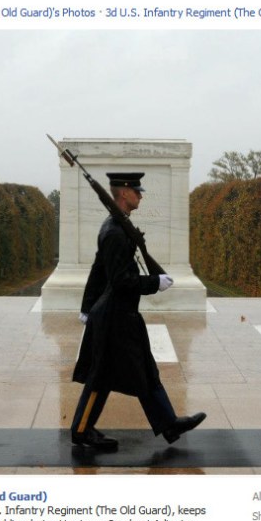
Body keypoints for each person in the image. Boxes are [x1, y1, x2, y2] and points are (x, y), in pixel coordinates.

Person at [71, 172, 206, 452]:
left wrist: (87, 305)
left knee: (145, 369)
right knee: (100, 375)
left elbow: (98, 270)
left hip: (122, 315)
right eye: (136, 191)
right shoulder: (114, 232)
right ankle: (81, 430)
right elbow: (120, 281)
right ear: (123, 193)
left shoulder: (118, 227)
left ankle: (169, 423)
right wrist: (154, 283)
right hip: (114, 318)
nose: (140, 196)